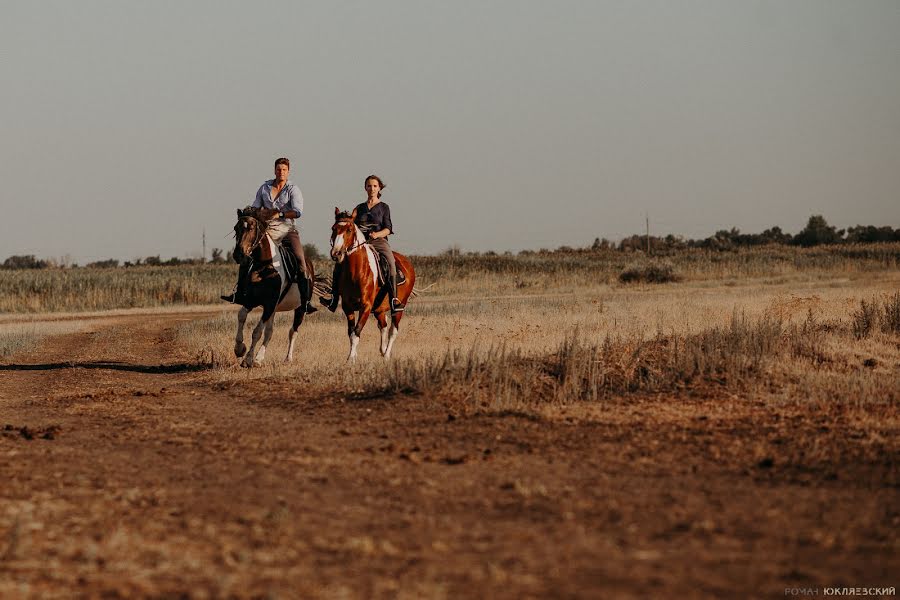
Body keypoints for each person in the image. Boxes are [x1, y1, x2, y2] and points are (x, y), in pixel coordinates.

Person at [222, 157, 316, 313]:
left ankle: (305, 301)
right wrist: (249, 214)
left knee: (301, 260)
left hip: (287, 229)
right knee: (247, 254)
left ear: (288, 172)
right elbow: (255, 207)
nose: (281, 172)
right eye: (278, 169)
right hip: (265, 230)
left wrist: (279, 214)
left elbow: (298, 212)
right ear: (274, 170)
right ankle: (239, 293)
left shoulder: (293, 189)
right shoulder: (264, 188)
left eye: (284, 170)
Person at [321, 174, 402, 314]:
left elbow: (388, 228)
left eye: (375, 186)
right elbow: (352, 227)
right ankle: (334, 299)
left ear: (379, 188)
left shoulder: (384, 207)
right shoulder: (359, 208)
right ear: (365, 188)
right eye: (369, 186)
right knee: (339, 265)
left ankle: (394, 300)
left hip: (379, 241)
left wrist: (377, 234)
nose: (372, 188)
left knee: (390, 262)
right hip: (360, 243)